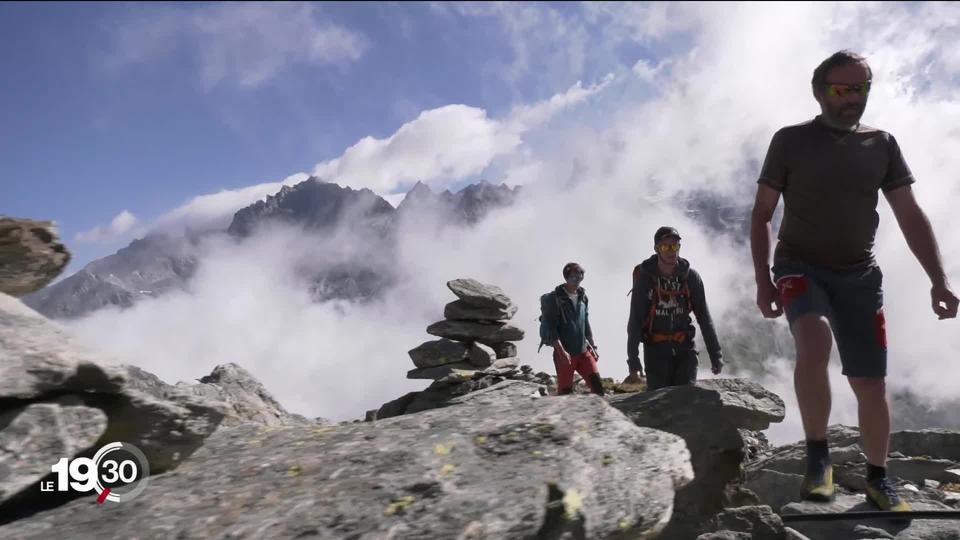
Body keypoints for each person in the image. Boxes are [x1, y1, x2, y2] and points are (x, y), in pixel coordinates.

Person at [750, 50, 958, 510]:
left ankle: (878, 479)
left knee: (870, 384)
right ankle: (818, 458)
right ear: (820, 91)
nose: (853, 99)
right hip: (798, 265)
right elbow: (764, 213)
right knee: (814, 339)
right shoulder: (790, 141)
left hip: (860, 275)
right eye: (843, 89)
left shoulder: (882, 144)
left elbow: (909, 213)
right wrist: (763, 279)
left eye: (862, 88)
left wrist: (938, 280)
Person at [624, 226, 723, 390]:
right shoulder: (645, 280)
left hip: (686, 351)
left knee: (686, 405)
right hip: (656, 354)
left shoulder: (691, 277)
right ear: (657, 249)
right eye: (665, 246)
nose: (671, 251)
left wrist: (716, 355)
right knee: (659, 407)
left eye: (675, 246)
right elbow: (635, 321)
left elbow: (704, 317)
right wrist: (633, 363)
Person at [539, 262, 604, 395]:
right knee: (565, 394)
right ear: (566, 278)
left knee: (598, 388)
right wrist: (561, 352)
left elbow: (585, 323)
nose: (577, 281)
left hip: (583, 352)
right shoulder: (555, 299)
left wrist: (593, 346)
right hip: (564, 355)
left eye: (580, 277)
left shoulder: (583, 297)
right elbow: (552, 328)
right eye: (574, 278)